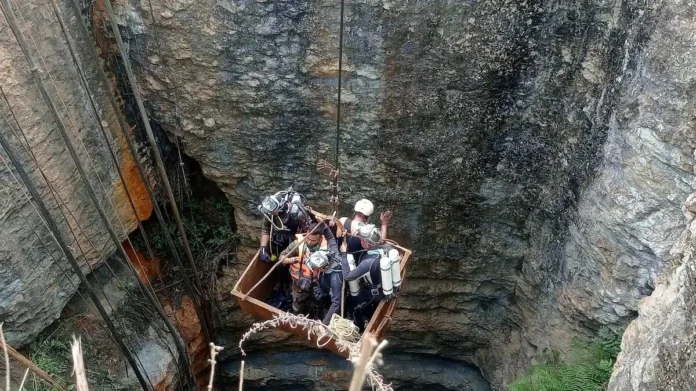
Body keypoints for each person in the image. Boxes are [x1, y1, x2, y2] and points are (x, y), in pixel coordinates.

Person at [340, 224, 402, 330]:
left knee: (351, 304)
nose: (360, 241)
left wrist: (344, 254)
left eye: (362, 240)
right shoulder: (387, 248)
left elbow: (347, 276)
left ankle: (360, 326)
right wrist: (383, 224)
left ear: (368, 244)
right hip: (385, 287)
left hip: (374, 295)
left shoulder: (367, 263)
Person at [278, 222, 338, 315]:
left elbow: (334, 267)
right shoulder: (298, 243)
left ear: (320, 238)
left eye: (313, 241)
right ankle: (296, 313)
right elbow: (282, 257)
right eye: (308, 239)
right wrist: (292, 259)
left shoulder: (327, 249)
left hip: (317, 283)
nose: (309, 242)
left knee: (318, 302)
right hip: (299, 282)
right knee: (297, 304)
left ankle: (317, 314)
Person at [257, 188, 313, 262]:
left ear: (279, 208)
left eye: (273, 212)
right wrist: (263, 249)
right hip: (279, 241)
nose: (271, 214)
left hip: (294, 243)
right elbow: (266, 229)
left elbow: (309, 232)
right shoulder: (271, 213)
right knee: (279, 261)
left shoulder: (297, 213)